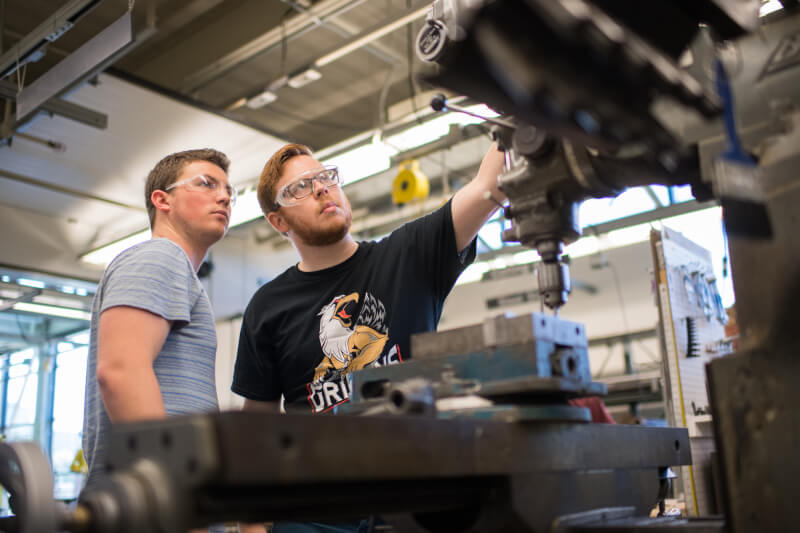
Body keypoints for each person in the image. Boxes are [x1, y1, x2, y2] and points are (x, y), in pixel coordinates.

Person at [232, 143, 505, 415]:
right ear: (279, 222)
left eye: (325, 176)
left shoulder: (410, 255)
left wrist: (519, 119)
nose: (321, 188)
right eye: (300, 187)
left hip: (419, 440)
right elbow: (257, 424)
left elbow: (489, 185)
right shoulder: (268, 307)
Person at [82, 148, 235, 486]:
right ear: (162, 200)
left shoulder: (174, 268)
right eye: (207, 184)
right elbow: (120, 372)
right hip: (158, 498)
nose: (224, 197)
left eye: (229, 190)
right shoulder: (161, 256)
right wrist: (172, 488)